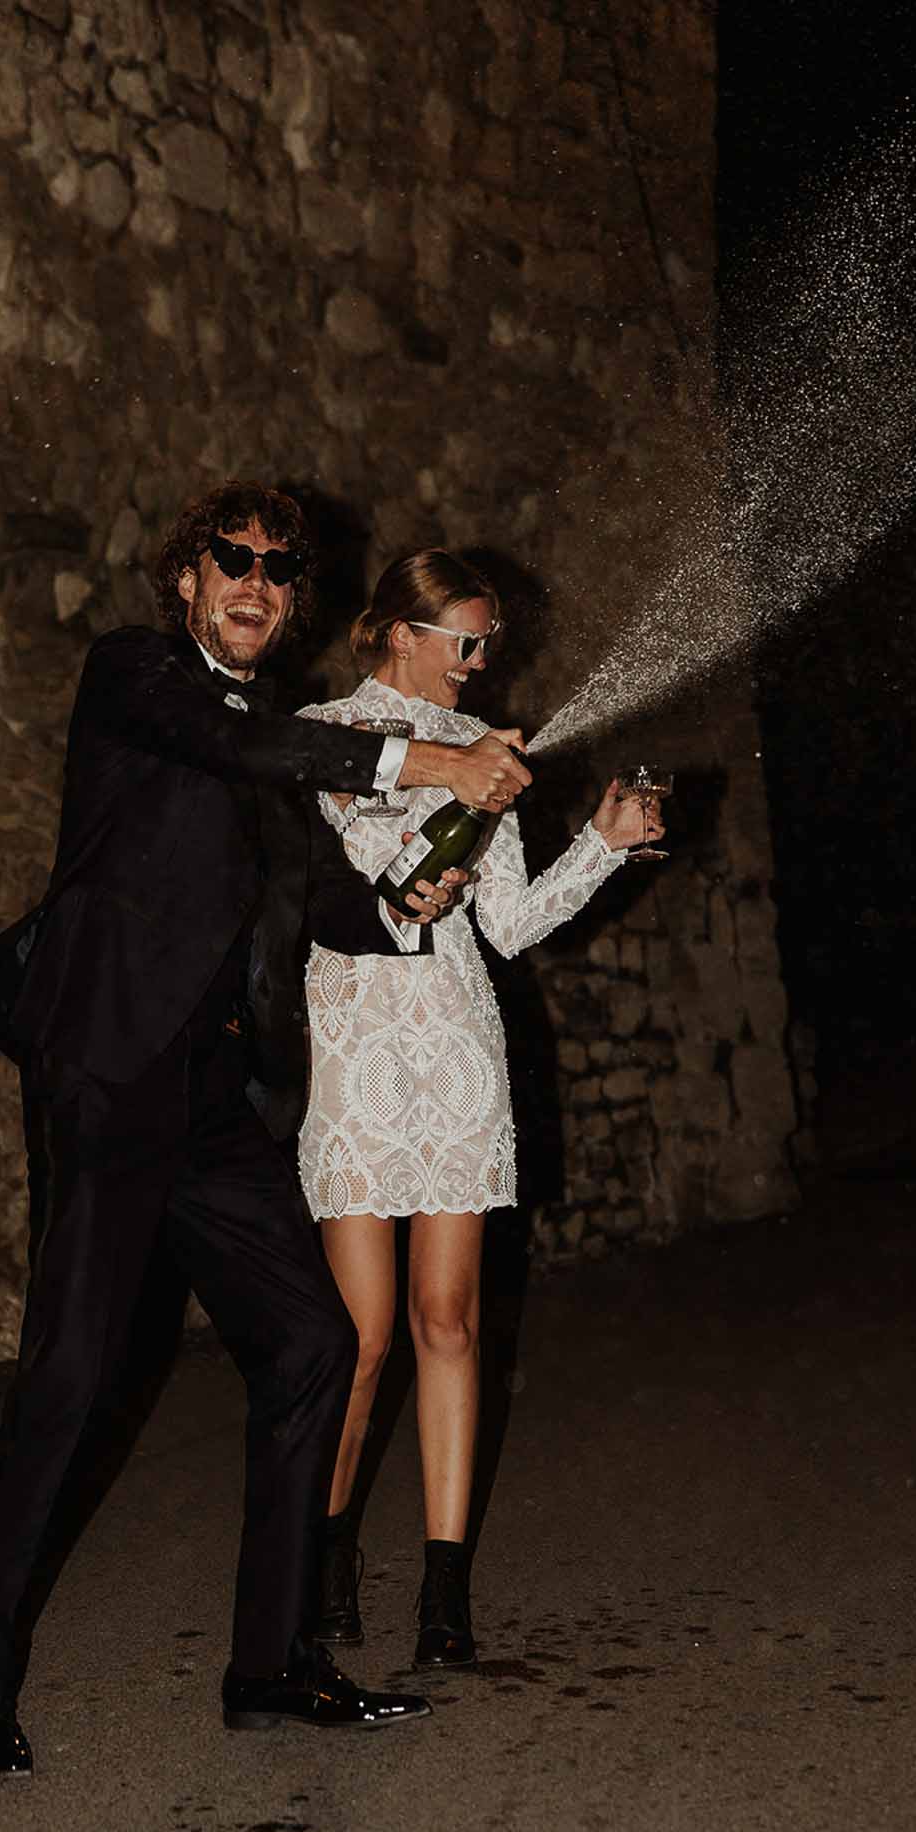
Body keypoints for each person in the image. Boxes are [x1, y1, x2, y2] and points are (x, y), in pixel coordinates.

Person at [0, 484, 531, 1774]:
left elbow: (331, 898)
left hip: (210, 1096)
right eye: (233, 561)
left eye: (277, 567)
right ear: (191, 578)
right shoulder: (138, 679)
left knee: (314, 1339)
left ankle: (272, 1664)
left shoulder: (272, 737)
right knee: (73, 1373)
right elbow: (248, 751)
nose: (256, 582)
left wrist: (416, 891)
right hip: (107, 1076)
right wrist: (431, 757)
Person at [296, 549, 662, 1667]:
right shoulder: (326, 731)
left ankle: (444, 1588)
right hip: (354, 1039)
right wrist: (449, 794)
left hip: (452, 1045)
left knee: (447, 1320)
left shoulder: (492, 750)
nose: (480, 660)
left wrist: (599, 845)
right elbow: (362, 877)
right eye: (464, 638)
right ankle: (323, 1554)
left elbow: (501, 924)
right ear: (399, 632)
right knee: (354, 1340)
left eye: (490, 641)